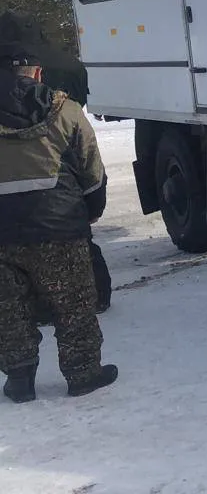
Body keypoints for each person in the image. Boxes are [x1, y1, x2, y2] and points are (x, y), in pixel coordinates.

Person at [0, 42, 118, 403]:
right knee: (74, 304)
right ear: (37, 72)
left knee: (8, 307)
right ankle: (83, 373)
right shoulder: (66, 111)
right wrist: (91, 209)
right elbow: (91, 171)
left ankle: (19, 378)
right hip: (60, 227)